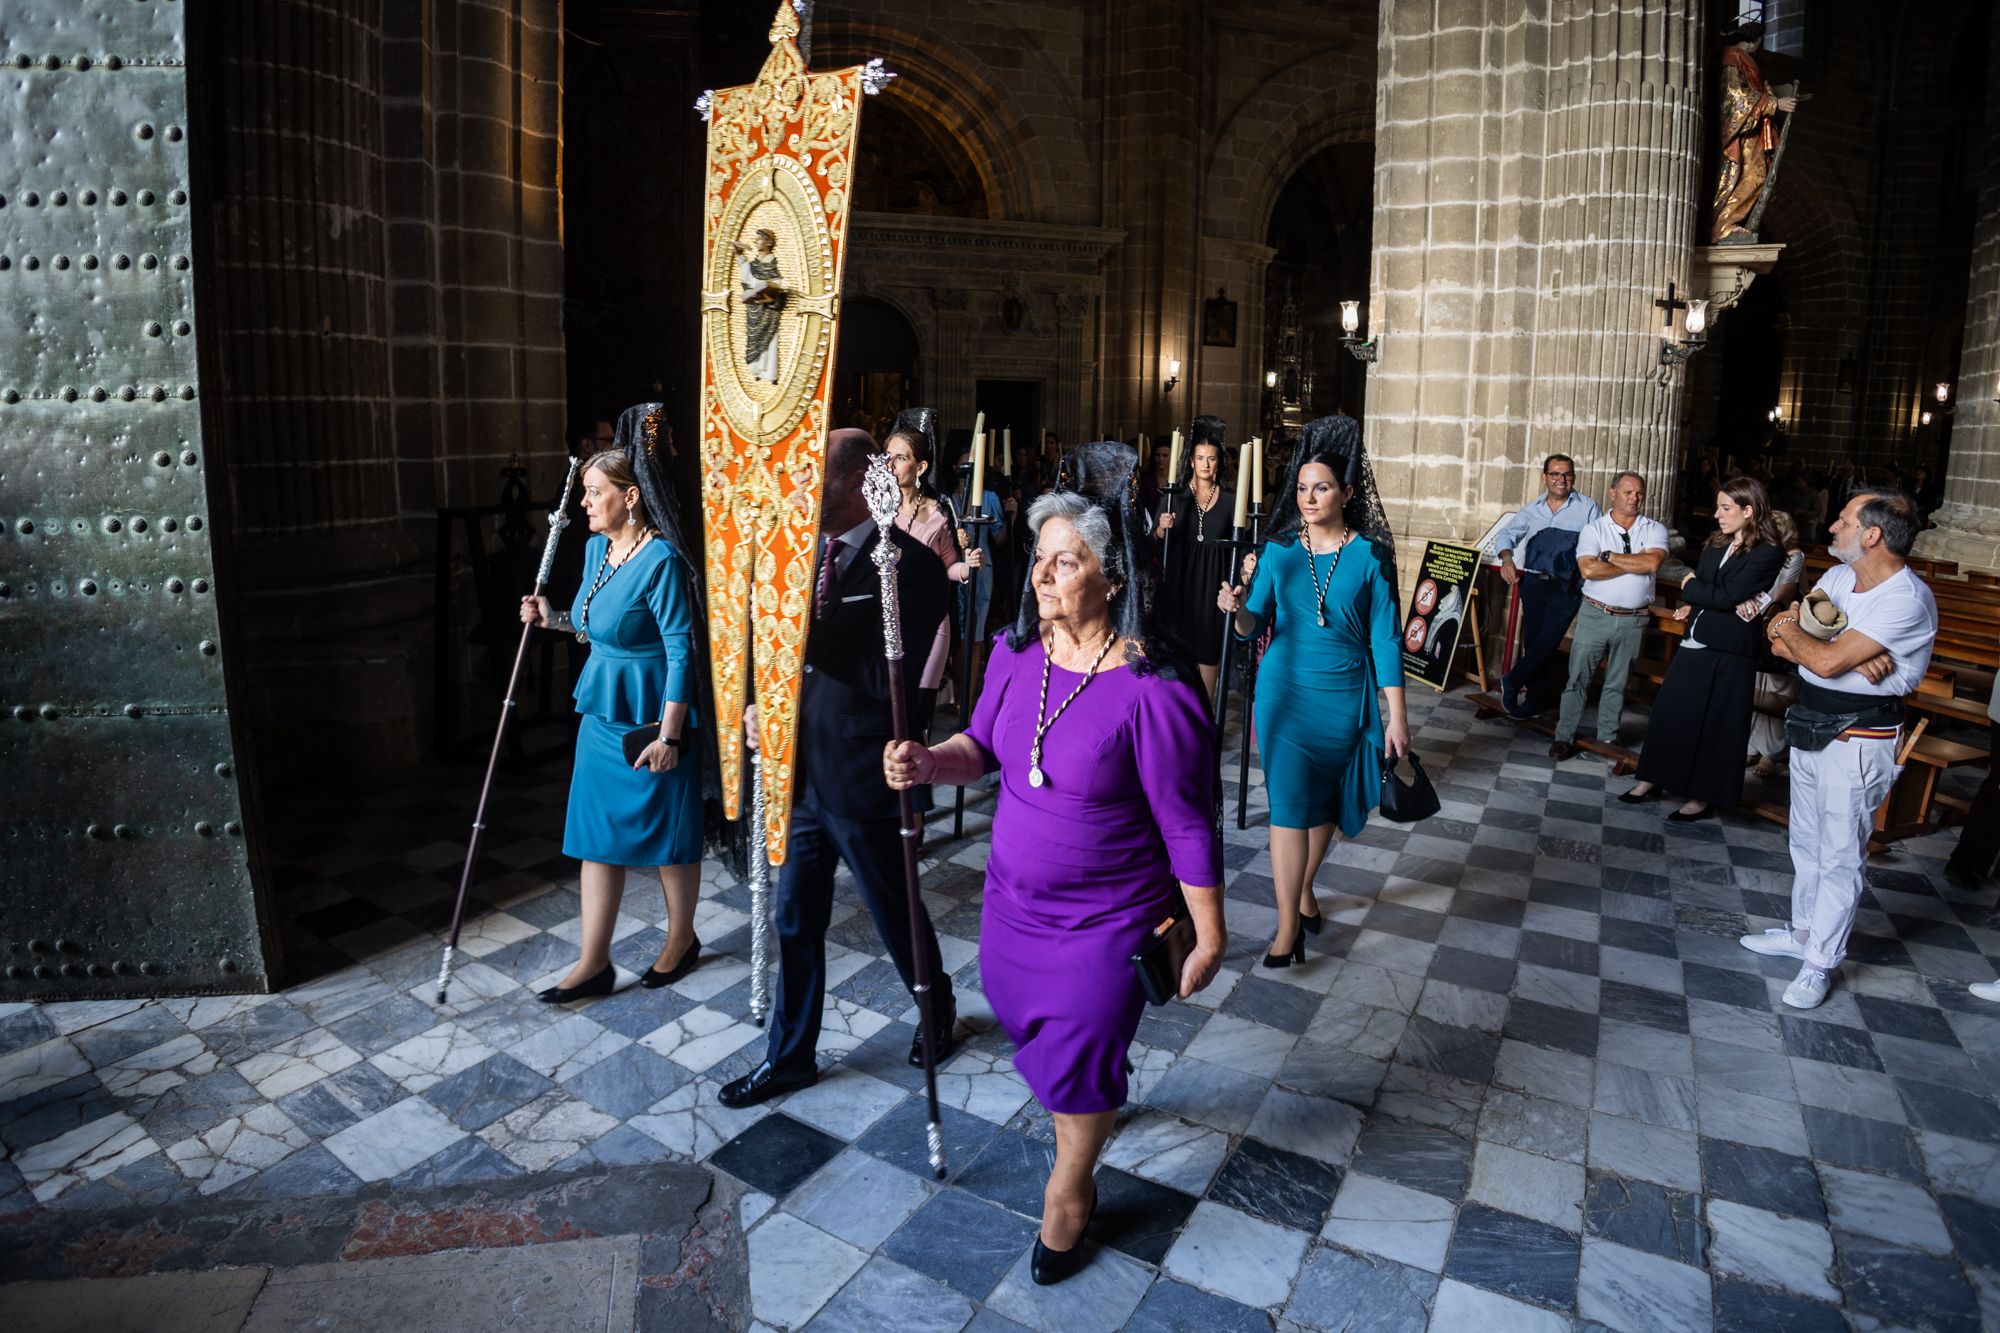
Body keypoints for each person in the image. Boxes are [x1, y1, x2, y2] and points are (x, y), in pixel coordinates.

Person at [885, 441, 1224, 1286]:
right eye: (1039, 559)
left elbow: (1188, 821)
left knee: (1077, 1070)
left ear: (1112, 579)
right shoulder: (1013, 656)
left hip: (1108, 922)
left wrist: (1210, 931)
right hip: (1013, 910)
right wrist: (931, 761)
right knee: (1027, 1017)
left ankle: (1070, 1195)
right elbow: (979, 748)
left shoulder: (1152, 686)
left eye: (1064, 561)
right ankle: (1095, 1102)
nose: (1041, 575)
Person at [720, 430, 956, 1107]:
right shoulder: (797, 556)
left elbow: (893, 677)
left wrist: (802, 631)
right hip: (799, 770)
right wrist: (759, 703)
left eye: (813, 477)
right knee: (795, 917)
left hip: (864, 765)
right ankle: (790, 1054)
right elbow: (772, 650)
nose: (799, 492)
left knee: (893, 909)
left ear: (856, 480)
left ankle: (935, 1006)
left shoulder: (907, 565)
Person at [518, 405, 705, 1000]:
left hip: (654, 720)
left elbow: (682, 653)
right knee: (595, 839)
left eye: (594, 493)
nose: (583, 504)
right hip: (601, 717)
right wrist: (553, 619)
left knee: (669, 840)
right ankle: (593, 962)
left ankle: (681, 940)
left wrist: (670, 736)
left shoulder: (663, 562)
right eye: (583, 493)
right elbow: (596, 625)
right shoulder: (598, 552)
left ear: (629, 497)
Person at [1218, 415, 1408, 966]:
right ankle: (1285, 930)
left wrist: (1396, 716)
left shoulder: (1371, 556)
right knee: (1288, 807)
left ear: (1348, 491)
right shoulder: (1278, 552)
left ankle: (1302, 890)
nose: (1308, 497)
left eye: (1320, 487)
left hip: (1345, 694)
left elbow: (1387, 640)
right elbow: (1254, 622)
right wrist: (1236, 611)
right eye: (1301, 488)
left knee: (1324, 804)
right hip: (1285, 694)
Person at [1743, 491, 1937, 1009]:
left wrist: (1826, 649)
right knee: (1804, 839)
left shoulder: (1905, 598)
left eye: (1844, 521)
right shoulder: (1837, 578)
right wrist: (1822, 640)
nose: (1832, 526)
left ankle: (1820, 962)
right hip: (1811, 723)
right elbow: (1778, 627)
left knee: (1839, 855)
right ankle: (1803, 933)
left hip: (1860, 738)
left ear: (1871, 535)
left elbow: (1822, 661)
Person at [1620, 477, 1785, 821]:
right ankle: (1654, 777)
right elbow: (1717, 592)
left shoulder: (1768, 553)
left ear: (1749, 510)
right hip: (1698, 637)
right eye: (1718, 507)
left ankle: (1703, 796)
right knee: (1671, 711)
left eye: (1726, 508)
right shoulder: (1715, 543)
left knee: (1717, 724)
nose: (1717, 515)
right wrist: (1701, 596)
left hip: (1730, 648)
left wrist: (1695, 591)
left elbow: (1723, 594)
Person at [1550, 471, 1669, 760]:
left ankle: (1607, 737)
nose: (1634, 498)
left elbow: (1652, 561)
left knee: (1618, 680)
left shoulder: (1654, 529)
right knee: (1578, 677)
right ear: (1613, 493)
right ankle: (1563, 736)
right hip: (1595, 614)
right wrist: (1633, 562)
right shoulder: (1594, 529)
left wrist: (1608, 556)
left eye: (1639, 492)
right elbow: (1588, 570)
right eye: (1628, 492)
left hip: (1634, 618)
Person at [883, 409, 981, 740]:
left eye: (900, 458)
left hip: (930, 624)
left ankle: (919, 782)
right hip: (887, 621)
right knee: (887, 714)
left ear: (921, 467)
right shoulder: (877, 510)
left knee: (917, 715)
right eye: (888, 457)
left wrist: (966, 568)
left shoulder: (938, 514)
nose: (891, 465)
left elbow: (948, 566)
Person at [1492, 455, 1603, 718]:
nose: (1561, 480)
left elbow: (1599, 544)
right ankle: (1535, 701)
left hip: (1567, 587)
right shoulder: (1531, 510)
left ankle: (1512, 680)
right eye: (1555, 474)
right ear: (1545, 477)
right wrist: (1507, 559)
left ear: (1573, 477)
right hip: (1532, 583)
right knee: (1534, 643)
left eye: (1566, 475)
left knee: (1549, 640)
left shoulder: (1588, 508)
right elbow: (1506, 534)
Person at [1156, 415, 1235, 699]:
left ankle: (1207, 716)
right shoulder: (1173, 497)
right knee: (1176, 649)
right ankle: (1178, 718)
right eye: (1200, 457)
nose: (1205, 463)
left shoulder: (1230, 501)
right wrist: (1161, 530)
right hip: (1180, 581)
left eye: (1211, 458)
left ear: (1218, 462)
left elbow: (1239, 546)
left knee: (1208, 650)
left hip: (1213, 583)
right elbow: (1154, 541)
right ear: (1190, 461)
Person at [1711, 15, 1798, 246]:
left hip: (1755, 128)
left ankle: (1729, 224)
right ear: (1753, 39)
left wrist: (1780, 94)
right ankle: (1724, 226)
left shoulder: (1745, 59)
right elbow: (1734, 95)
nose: (1759, 47)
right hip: (1743, 132)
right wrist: (1773, 104)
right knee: (1752, 176)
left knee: (1759, 177)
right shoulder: (1732, 57)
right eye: (1759, 41)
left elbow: (1760, 88)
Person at [1744, 511, 1807, 779]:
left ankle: (1772, 752)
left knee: (1777, 690)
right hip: (1756, 619)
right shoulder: (1759, 552)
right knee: (1756, 685)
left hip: (1782, 622)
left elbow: (1785, 591)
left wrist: (1764, 613)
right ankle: (1751, 744)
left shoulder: (1794, 556)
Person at [735, 228, 787, 382]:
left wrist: (768, 295)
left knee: (769, 340)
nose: (755, 241)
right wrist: (738, 254)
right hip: (755, 309)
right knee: (754, 339)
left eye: (759, 239)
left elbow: (777, 283)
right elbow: (747, 276)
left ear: (769, 242)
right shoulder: (754, 263)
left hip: (769, 310)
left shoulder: (773, 262)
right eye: (755, 239)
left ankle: (770, 373)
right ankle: (757, 370)